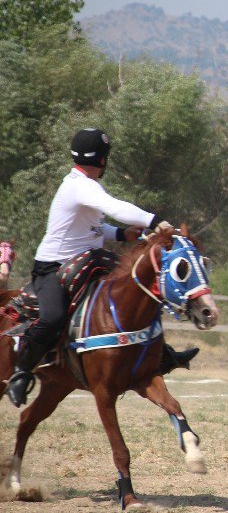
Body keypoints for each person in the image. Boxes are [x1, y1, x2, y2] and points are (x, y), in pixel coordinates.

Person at [5, 128, 197, 408]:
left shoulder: (84, 186)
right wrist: (153, 220)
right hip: (53, 269)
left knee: (137, 292)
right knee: (52, 318)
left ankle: (161, 354)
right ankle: (22, 372)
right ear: (103, 160)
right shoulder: (81, 186)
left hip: (86, 264)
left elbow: (94, 227)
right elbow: (114, 208)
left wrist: (121, 235)